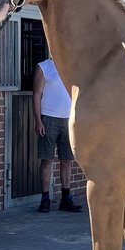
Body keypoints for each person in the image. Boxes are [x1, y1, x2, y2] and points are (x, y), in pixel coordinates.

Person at [33, 52, 82, 213]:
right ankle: (45, 198)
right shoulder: (44, 67)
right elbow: (37, 94)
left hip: (68, 119)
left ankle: (66, 198)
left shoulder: (71, 65)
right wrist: (38, 120)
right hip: (49, 118)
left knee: (66, 160)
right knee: (47, 160)